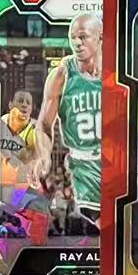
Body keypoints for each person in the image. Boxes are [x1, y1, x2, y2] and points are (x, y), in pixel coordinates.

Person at [34, 14, 103, 225]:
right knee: (107, 223)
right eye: (73, 37)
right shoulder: (62, 75)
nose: (77, 42)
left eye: (83, 36)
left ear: (101, 38)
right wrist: (44, 156)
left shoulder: (119, 72)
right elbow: (44, 124)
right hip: (84, 164)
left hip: (119, 162)